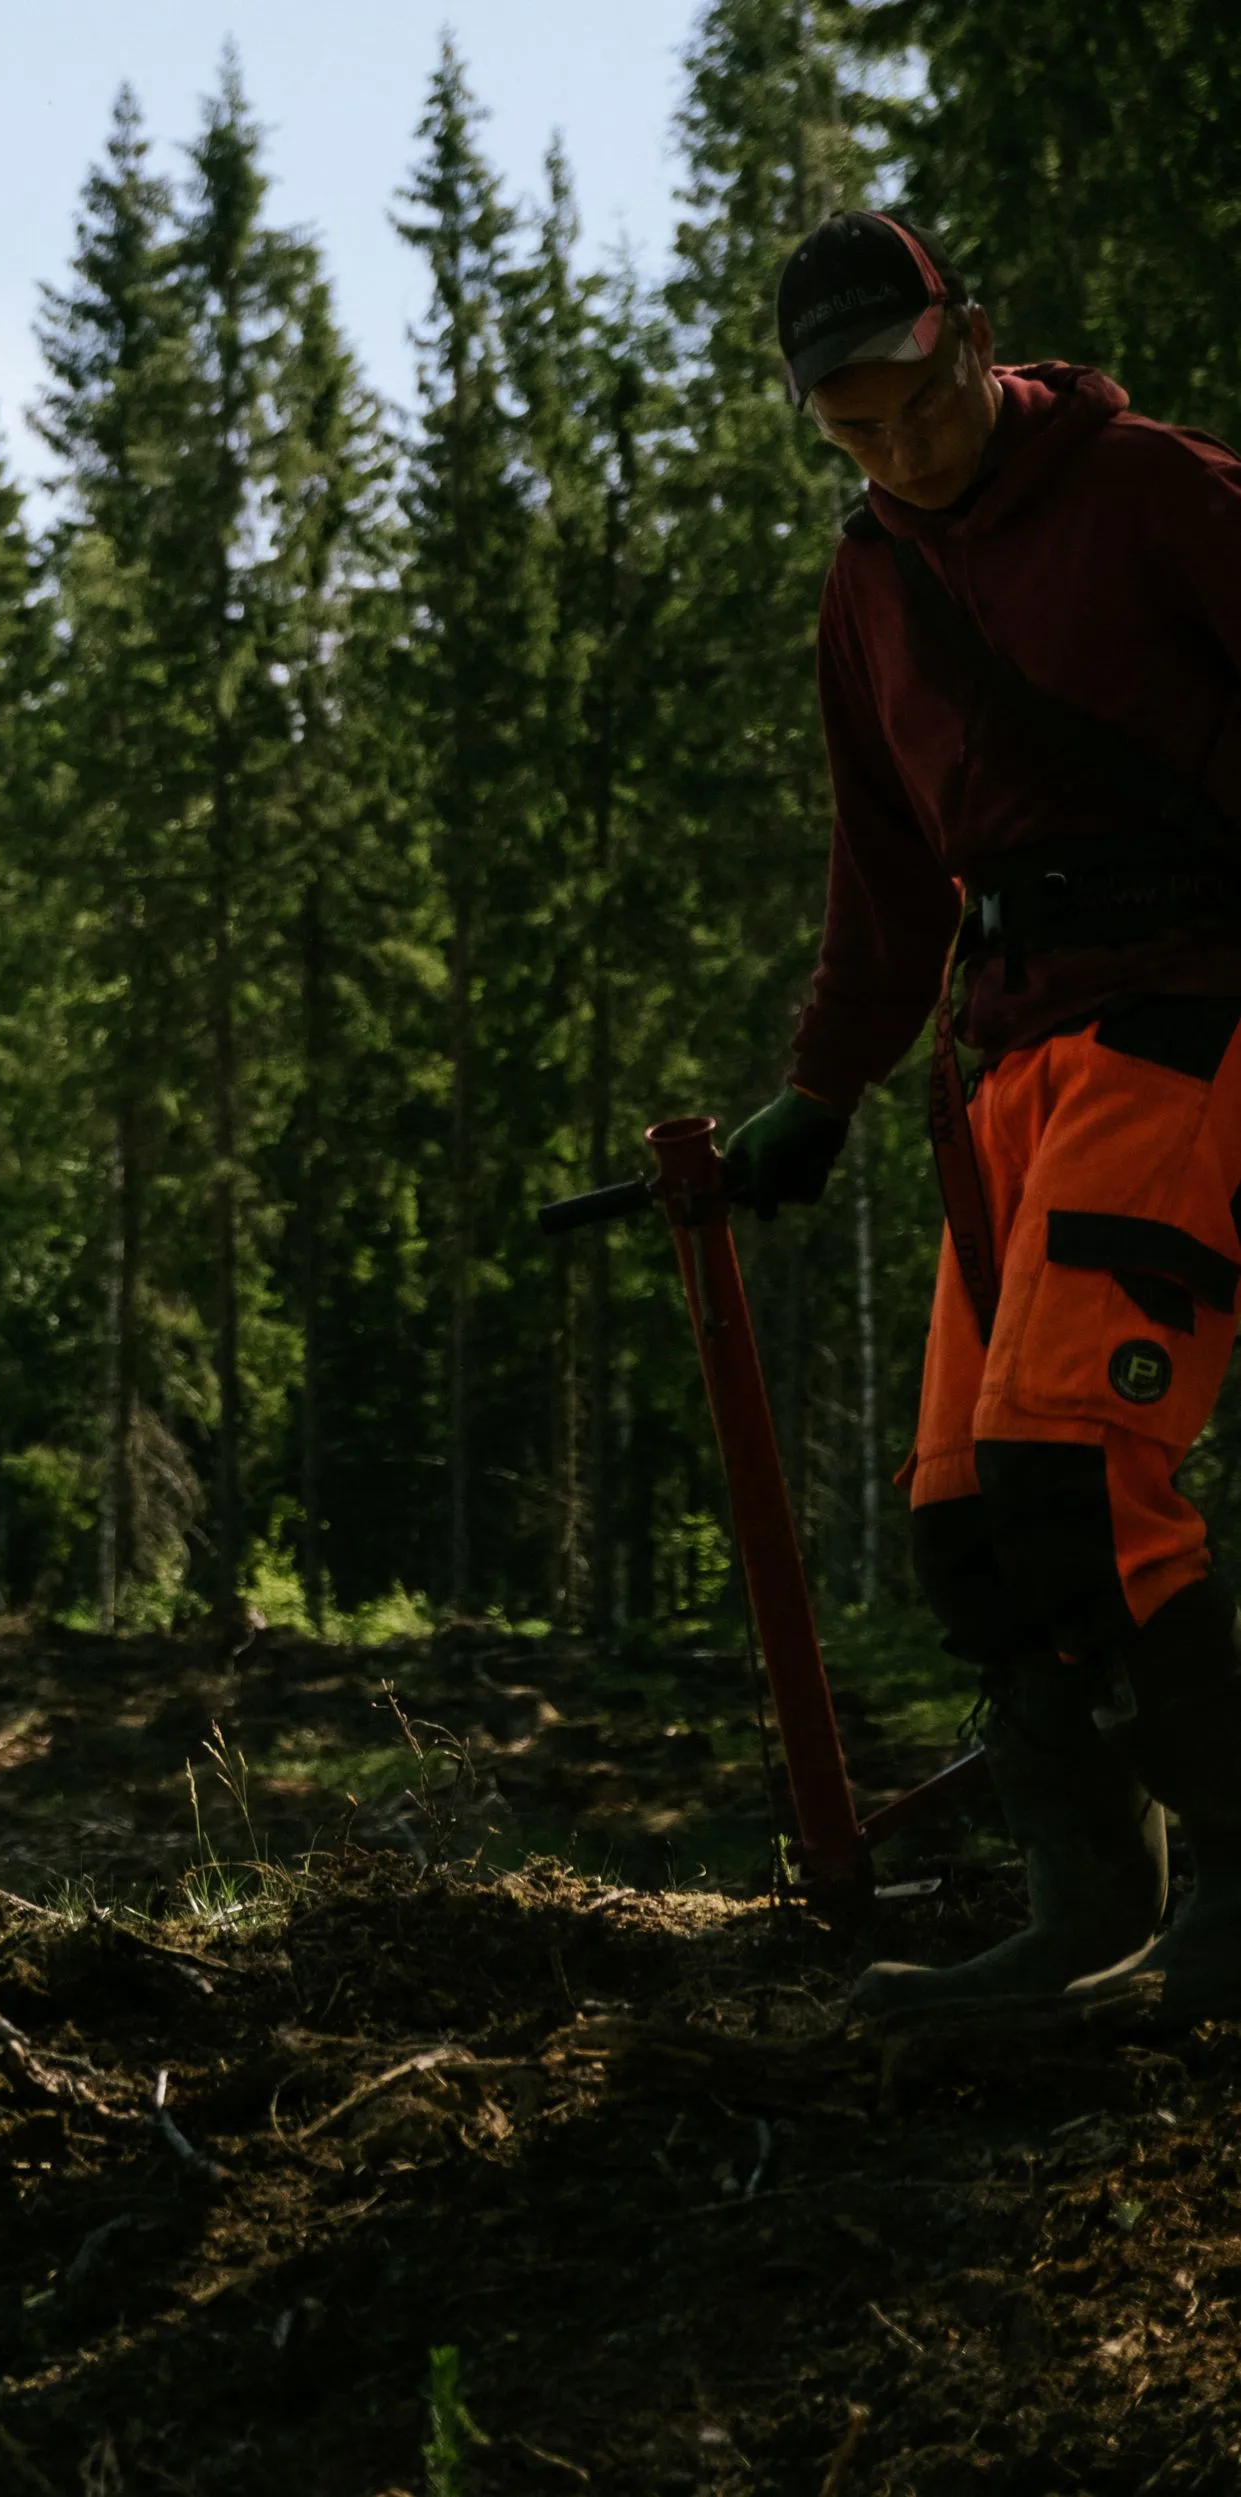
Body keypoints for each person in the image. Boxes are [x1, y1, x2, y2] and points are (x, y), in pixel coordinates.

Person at [718, 211, 1241, 2018]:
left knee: (1078, 1472)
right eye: (849, 430)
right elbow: (886, 882)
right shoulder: (867, 587)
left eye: (913, 403)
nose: (896, 450)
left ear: (973, 339)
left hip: (1186, 1014)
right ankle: (1087, 1909)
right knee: (967, 1513)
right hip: (1003, 1060)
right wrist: (818, 1085)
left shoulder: (1160, 494)